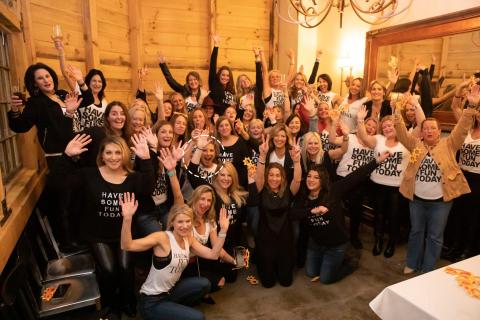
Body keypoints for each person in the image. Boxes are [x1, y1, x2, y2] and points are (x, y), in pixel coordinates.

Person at [58, 134, 154, 319]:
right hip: (97, 235)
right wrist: (66, 157)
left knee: (126, 268)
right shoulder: (89, 175)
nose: (113, 157)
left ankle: (127, 300)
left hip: (124, 234)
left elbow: (148, 188)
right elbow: (58, 183)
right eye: (108, 153)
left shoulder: (132, 178)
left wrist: (147, 159)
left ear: (124, 154)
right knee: (109, 270)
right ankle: (111, 305)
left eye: (118, 152)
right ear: (101, 155)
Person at [394, 93, 478, 273]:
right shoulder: (415, 144)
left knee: (435, 236)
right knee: (416, 232)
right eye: (426, 128)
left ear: (439, 132)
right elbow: (400, 132)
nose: (429, 131)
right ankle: (412, 262)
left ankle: (428, 267)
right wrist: (395, 110)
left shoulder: (449, 144)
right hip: (416, 199)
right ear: (422, 131)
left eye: (433, 128)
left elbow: (462, 128)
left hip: (441, 202)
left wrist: (471, 107)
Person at [120, 190, 230, 320]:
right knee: (199, 317)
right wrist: (127, 219)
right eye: (180, 222)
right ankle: (163, 313)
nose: (185, 226)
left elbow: (213, 255)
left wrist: (223, 231)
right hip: (151, 301)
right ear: (172, 222)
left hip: (170, 292)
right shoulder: (162, 238)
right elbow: (127, 245)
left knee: (205, 284)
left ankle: (172, 311)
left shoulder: (188, 238)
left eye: (188, 221)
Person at [290, 153, 390, 284]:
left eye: (316, 177)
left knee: (326, 279)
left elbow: (356, 176)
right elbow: (292, 214)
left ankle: (350, 262)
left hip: (335, 245)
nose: (311, 180)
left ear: (323, 180)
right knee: (310, 273)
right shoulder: (303, 196)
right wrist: (312, 211)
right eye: (309, 176)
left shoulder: (333, 191)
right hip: (316, 244)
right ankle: (328, 262)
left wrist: (377, 161)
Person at [248, 134, 302, 287]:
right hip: (265, 239)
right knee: (268, 283)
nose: (274, 178)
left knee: (286, 282)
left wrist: (297, 161)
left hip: (285, 239)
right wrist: (263, 155)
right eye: (271, 175)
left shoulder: (288, 191)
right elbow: (259, 176)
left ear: (282, 178)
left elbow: (297, 179)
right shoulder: (261, 189)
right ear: (267, 177)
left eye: (277, 175)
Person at [356, 105, 410, 258]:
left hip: (397, 188)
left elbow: (420, 125)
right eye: (384, 126)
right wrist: (360, 120)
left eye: (390, 125)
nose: (387, 128)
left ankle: (392, 242)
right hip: (377, 184)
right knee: (379, 215)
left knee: (394, 216)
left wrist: (398, 112)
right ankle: (378, 240)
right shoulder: (378, 139)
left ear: (397, 126)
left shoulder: (406, 140)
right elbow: (365, 138)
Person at [208, 35, 235, 115]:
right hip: (217, 119)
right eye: (223, 75)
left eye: (227, 75)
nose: (225, 77)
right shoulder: (214, 84)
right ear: (219, 75)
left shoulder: (231, 90)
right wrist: (216, 46)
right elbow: (212, 65)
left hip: (228, 120)